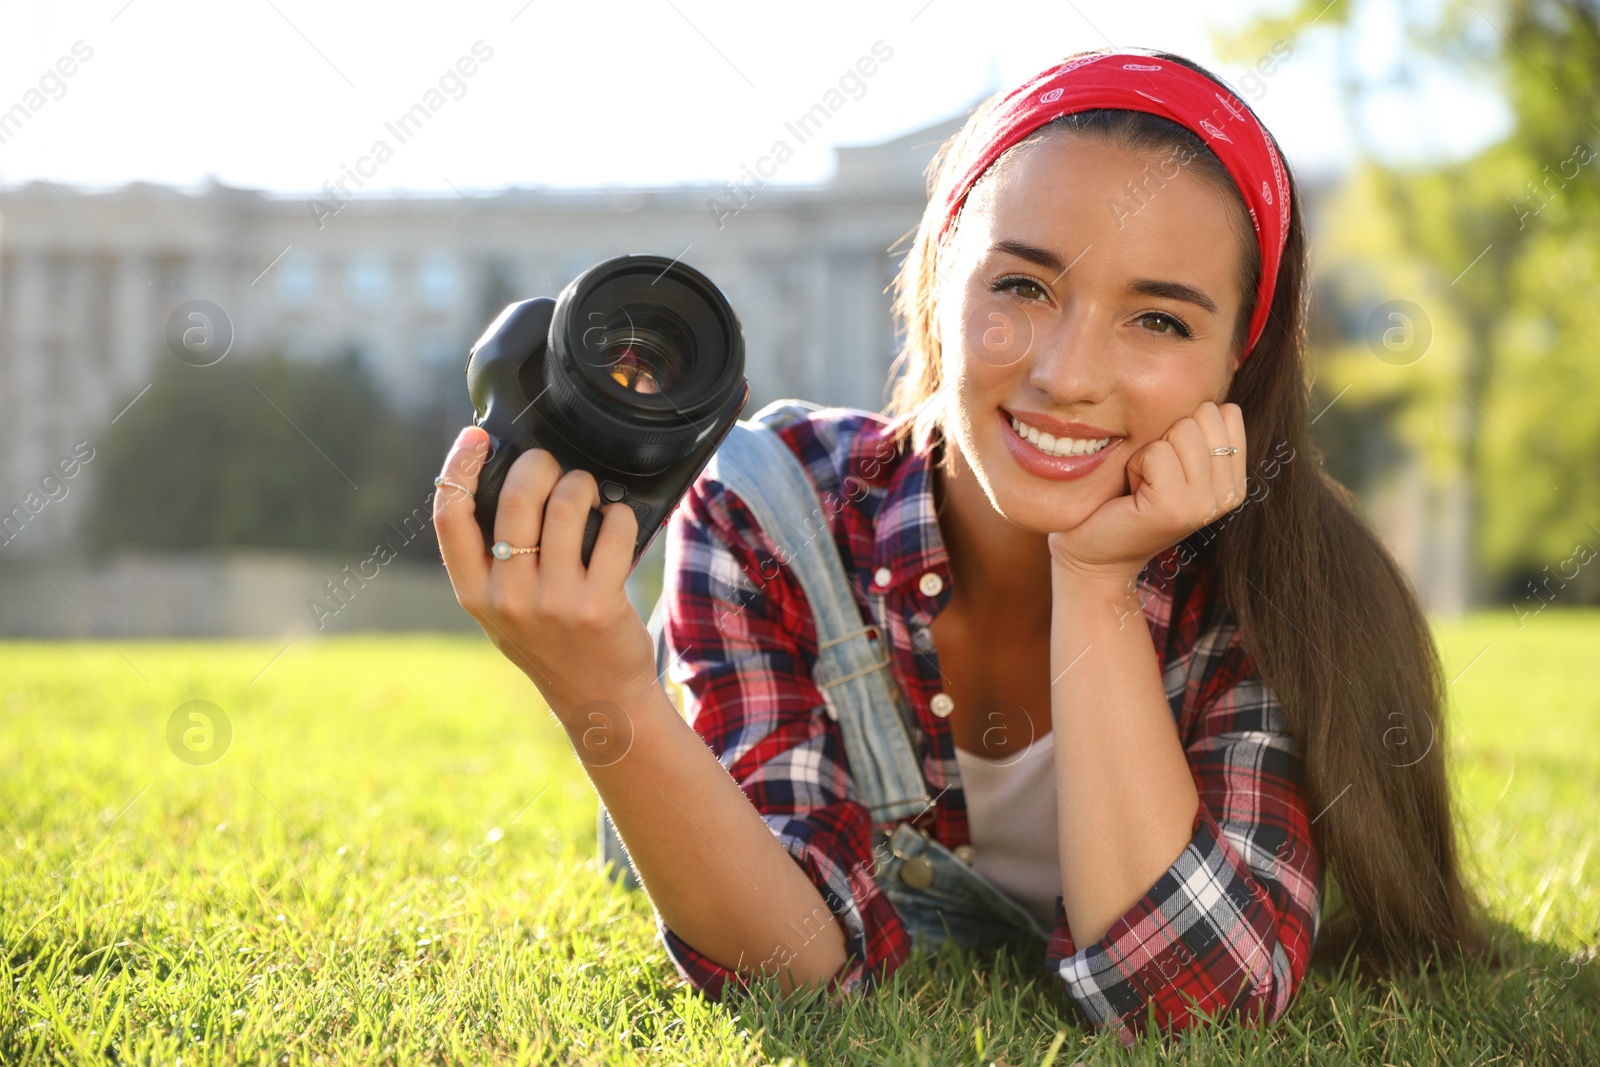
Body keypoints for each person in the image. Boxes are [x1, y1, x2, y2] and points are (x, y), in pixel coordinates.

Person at [431, 48, 1493, 1046]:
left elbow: (1192, 1001)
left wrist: (1098, 580)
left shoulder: (1273, 583)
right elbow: (794, 968)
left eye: (1159, 321)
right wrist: (605, 691)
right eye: (1022, 287)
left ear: (1235, 366)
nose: (1068, 374)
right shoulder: (774, 506)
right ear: (938, 287)